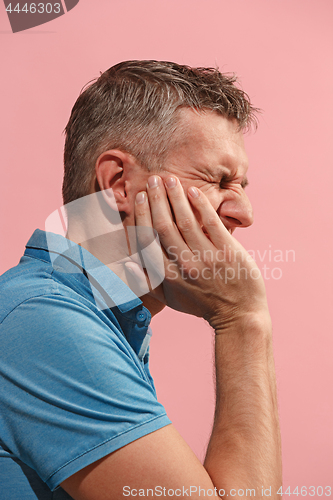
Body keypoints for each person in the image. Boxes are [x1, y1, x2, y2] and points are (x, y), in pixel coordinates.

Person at [0, 60, 282, 499]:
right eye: (220, 179)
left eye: (243, 185)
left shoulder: (94, 315)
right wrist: (243, 319)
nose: (244, 213)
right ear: (119, 182)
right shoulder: (41, 320)